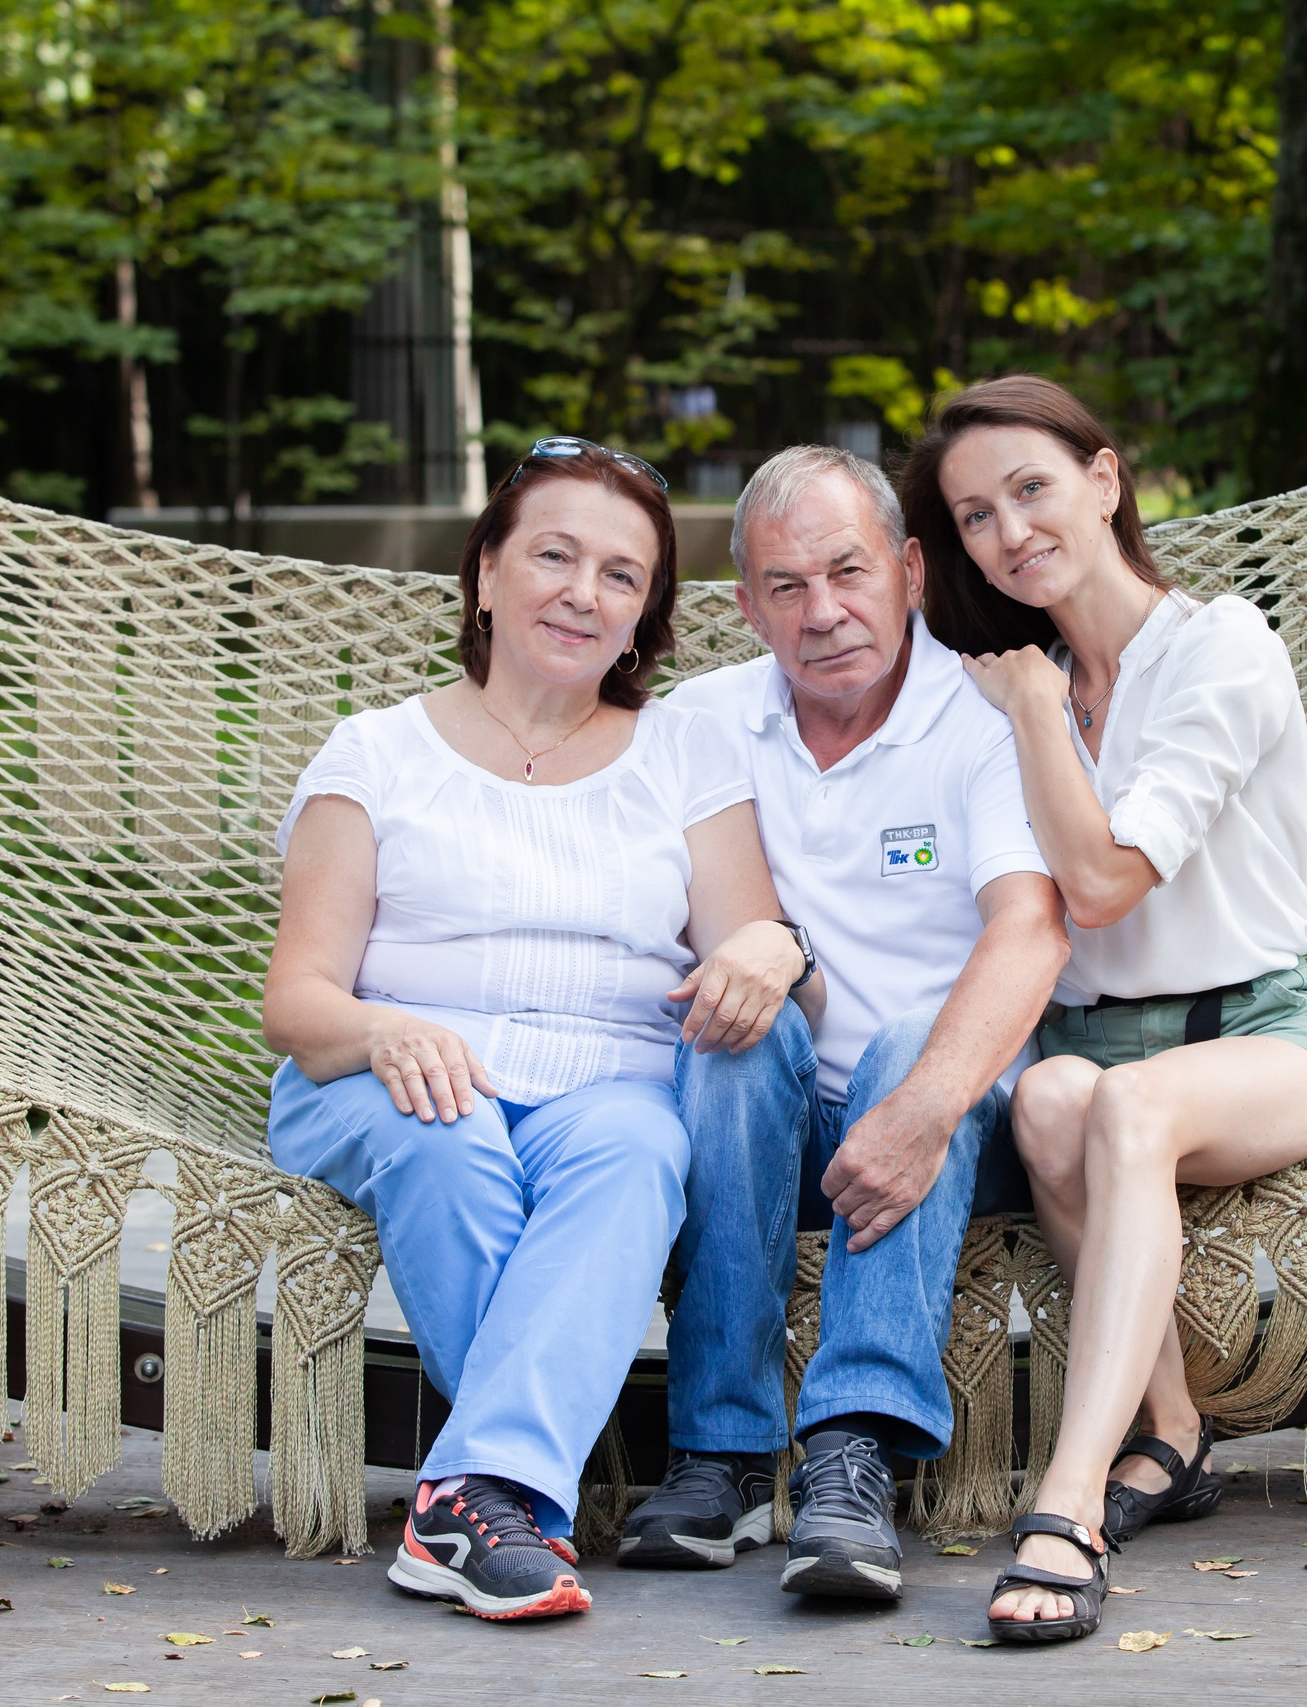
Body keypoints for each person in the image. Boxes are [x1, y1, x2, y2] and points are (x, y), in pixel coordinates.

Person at [260, 437, 819, 1623]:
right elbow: (298, 1002)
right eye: (554, 555)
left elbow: (751, 948)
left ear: (643, 621)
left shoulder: (683, 754)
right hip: (385, 1067)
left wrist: (772, 950)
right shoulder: (377, 752)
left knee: (638, 1153)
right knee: (450, 1139)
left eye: (622, 576)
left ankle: (470, 1504)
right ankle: (502, 1491)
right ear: (485, 577)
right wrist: (383, 1028)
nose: (583, 591)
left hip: (605, 1081)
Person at [908, 377, 1307, 1644]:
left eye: (1030, 490)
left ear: (1105, 481)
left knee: (1116, 1103)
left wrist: (1035, 719)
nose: (1008, 532)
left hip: (1267, 1035)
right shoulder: (1022, 677)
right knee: (1060, 1095)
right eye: (973, 518)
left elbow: (1106, 884)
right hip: (1089, 1052)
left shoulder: (1217, 648)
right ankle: (1174, 1434)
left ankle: (1066, 1501)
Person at [618, 444, 1072, 1602]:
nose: (823, 613)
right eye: (786, 587)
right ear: (746, 608)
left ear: (910, 570)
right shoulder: (699, 724)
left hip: (954, 1109)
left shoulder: (981, 722)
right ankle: (718, 1454)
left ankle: (849, 1454)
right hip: (772, 1115)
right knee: (731, 1039)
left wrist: (923, 1108)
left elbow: (1030, 931)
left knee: (904, 1041)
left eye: (848, 572)